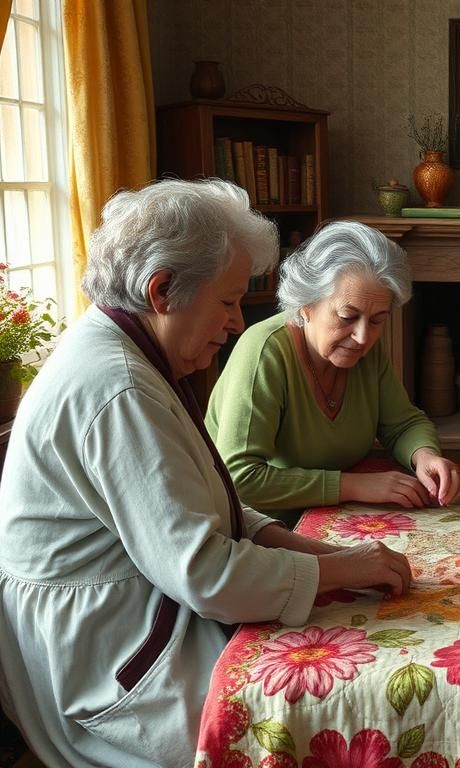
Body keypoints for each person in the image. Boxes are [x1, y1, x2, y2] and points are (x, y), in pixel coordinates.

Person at [0, 179, 412, 767]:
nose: (237, 323)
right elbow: (207, 574)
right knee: (337, 706)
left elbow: (216, 510)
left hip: (132, 613)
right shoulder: (118, 389)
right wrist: (343, 568)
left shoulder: (129, 355)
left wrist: (332, 557)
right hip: (102, 655)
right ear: (162, 290)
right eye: (227, 301)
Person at [206, 221, 460, 524]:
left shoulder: (364, 351)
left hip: (335, 516)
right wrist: (353, 486)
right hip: (260, 527)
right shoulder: (264, 352)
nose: (363, 337)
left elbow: (403, 423)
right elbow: (239, 478)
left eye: (377, 320)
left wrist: (425, 455)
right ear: (306, 305)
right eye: (347, 316)